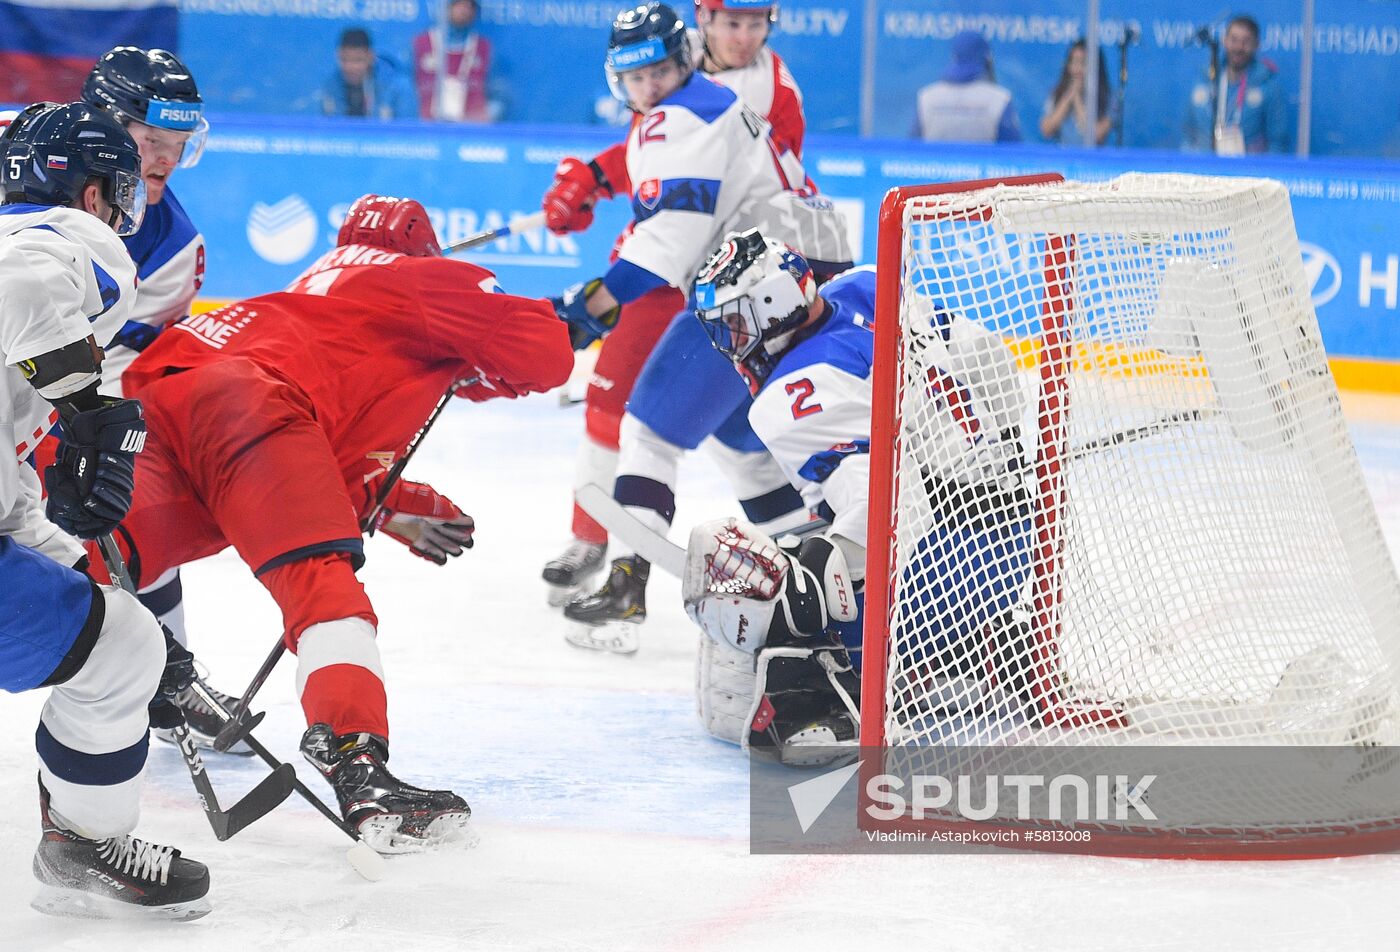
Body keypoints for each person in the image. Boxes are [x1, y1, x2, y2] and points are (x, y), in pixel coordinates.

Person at [94, 194, 574, 852]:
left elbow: (296, 469)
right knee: (321, 586)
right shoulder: (419, 277)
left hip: (161, 394)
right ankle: (358, 763)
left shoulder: (315, 290)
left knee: (96, 557)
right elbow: (545, 354)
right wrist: (503, 339)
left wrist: (395, 503)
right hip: (247, 406)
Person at [680, 230, 1034, 764]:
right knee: (815, 549)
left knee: (765, 588)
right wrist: (996, 447)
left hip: (942, 569)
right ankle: (958, 654)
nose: (730, 344)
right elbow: (995, 360)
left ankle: (829, 708)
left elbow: (891, 509)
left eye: (735, 325)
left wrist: (803, 585)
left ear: (773, 304)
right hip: (1015, 546)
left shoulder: (792, 392)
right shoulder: (866, 284)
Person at [1, 101, 211, 919]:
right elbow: (19, 286)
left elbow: (11, 499)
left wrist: (93, 587)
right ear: (93, 193)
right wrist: (90, 408)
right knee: (119, 650)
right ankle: (83, 845)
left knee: (120, 633)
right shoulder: (66, 237)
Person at [537, 0, 808, 608]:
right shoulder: (702, 95)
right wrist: (595, 178)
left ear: (684, 57)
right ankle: (820, 575)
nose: (649, 87)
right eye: (636, 77)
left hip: (747, 290)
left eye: (658, 71)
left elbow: (670, 236)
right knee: (743, 447)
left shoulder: (710, 105)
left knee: (649, 431)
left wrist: (593, 303)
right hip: (780, 280)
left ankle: (625, 585)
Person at [77, 46, 248, 750]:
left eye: (178, 143)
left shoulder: (174, 249)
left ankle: (165, 681)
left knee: (138, 511)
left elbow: (116, 371)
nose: (165, 160)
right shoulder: (15, 146)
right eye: (150, 140)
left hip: (38, 402)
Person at [1183, 14, 1289, 155]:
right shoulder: (1207, 79)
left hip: (1249, 166)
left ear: (1257, 45)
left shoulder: (1267, 85)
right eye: (1234, 40)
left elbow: (1278, 143)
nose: (1239, 47)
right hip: (1205, 165)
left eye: (1246, 41)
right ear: (1224, 40)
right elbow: (1189, 132)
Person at [912, 29, 1021, 144]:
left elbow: (912, 147)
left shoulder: (927, 97)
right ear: (987, 59)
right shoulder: (1000, 99)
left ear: (953, 56)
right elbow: (1013, 148)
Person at [413, 0, 501, 122]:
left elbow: (499, 97)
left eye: (469, 6)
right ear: (446, 7)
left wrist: (480, 118)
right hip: (426, 128)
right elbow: (405, 91)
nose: (463, 10)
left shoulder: (484, 49)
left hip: (470, 130)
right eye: (457, 4)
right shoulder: (420, 44)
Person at [319, 27, 415, 120]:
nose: (350, 67)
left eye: (358, 60)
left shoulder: (399, 86)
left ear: (371, 57)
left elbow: (408, 128)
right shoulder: (332, 85)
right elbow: (328, 125)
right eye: (344, 60)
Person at [1039, 39, 1116, 146]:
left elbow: (1095, 136)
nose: (1078, 69)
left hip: (1092, 155)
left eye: (1083, 63)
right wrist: (1068, 97)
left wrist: (1077, 100)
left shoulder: (1109, 98)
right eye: (1074, 62)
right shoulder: (1057, 93)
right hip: (1063, 155)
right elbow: (1046, 130)